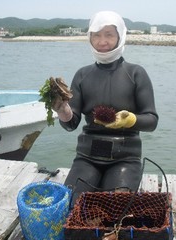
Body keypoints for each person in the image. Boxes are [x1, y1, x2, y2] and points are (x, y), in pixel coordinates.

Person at [52, 11, 158, 204]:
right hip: (87, 156)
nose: (102, 41)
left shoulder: (136, 73)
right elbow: (71, 124)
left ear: (120, 36)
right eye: (97, 35)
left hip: (126, 157)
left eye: (109, 34)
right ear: (89, 37)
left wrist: (131, 120)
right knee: (72, 204)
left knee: (115, 206)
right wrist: (63, 110)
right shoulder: (82, 75)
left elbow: (151, 120)